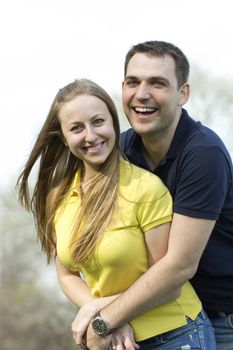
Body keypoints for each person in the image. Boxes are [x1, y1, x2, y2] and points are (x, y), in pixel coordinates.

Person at [16, 78, 216, 350]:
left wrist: (104, 316)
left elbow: (169, 284)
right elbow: (67, 275)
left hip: (175, 334)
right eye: (76, 128)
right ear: (63, 137)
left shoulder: (145, 189)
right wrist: (101, 314)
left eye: (98, 122)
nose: (91, 135)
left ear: (113, 122)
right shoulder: (59, 197)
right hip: (112, 339)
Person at [74, 41, 233, 350]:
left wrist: (105, 320)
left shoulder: (203, 154)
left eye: (157, 83)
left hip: (219, 317)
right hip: (152, 310)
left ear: (182, 93)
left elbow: (179, 266)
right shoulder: (119, 151)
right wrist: (106, 312)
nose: (142, 94)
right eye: (133, 82)